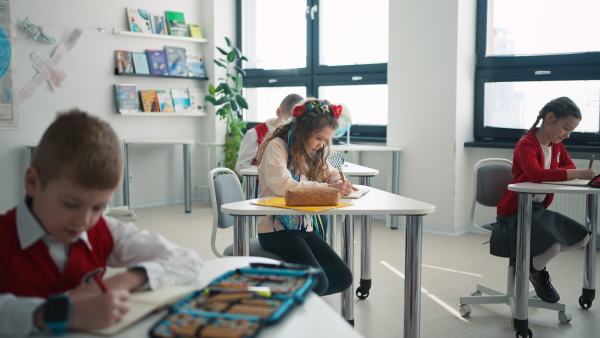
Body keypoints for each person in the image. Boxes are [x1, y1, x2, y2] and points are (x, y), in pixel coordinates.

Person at [0, 109, 203, 336]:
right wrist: (60, 312)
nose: (84, 221)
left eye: (98, 207)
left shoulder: (105, 229)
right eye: (70, 204)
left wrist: (126, 279)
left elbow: (189, 260)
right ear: (32, 182)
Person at [490, 97, 597, 303]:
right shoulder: (526, 145)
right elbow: (536, 174)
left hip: (538, 209)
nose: (567, 135)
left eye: (571, 131)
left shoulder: (556, 146)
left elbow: (568, 167)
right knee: (552, 247)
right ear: (549, 118)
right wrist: (569, 173)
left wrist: (559, 172)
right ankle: (536, 270)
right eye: (566, 128)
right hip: (516, 211)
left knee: (583, 237)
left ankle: (532, 264)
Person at [254, 98, 356, 296]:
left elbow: (330, 171)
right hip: (275, 230)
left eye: (325, 140)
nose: (321, 144)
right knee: (318, 284)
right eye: (318, 138)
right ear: (303, 131)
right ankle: (277, 300)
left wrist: (338, 179)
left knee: (342, 279)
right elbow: (284, 186)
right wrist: (329, 188)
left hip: (303, 226)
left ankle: (289, 298)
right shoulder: (278, 146)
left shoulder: (313, 151)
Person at [235, 93, 304, 175]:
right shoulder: (254, 133)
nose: (290, 126)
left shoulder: (297, 134)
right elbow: (241, 166)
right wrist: (270, 172)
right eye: (288, 121)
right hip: (259, 186)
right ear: (278, 112)